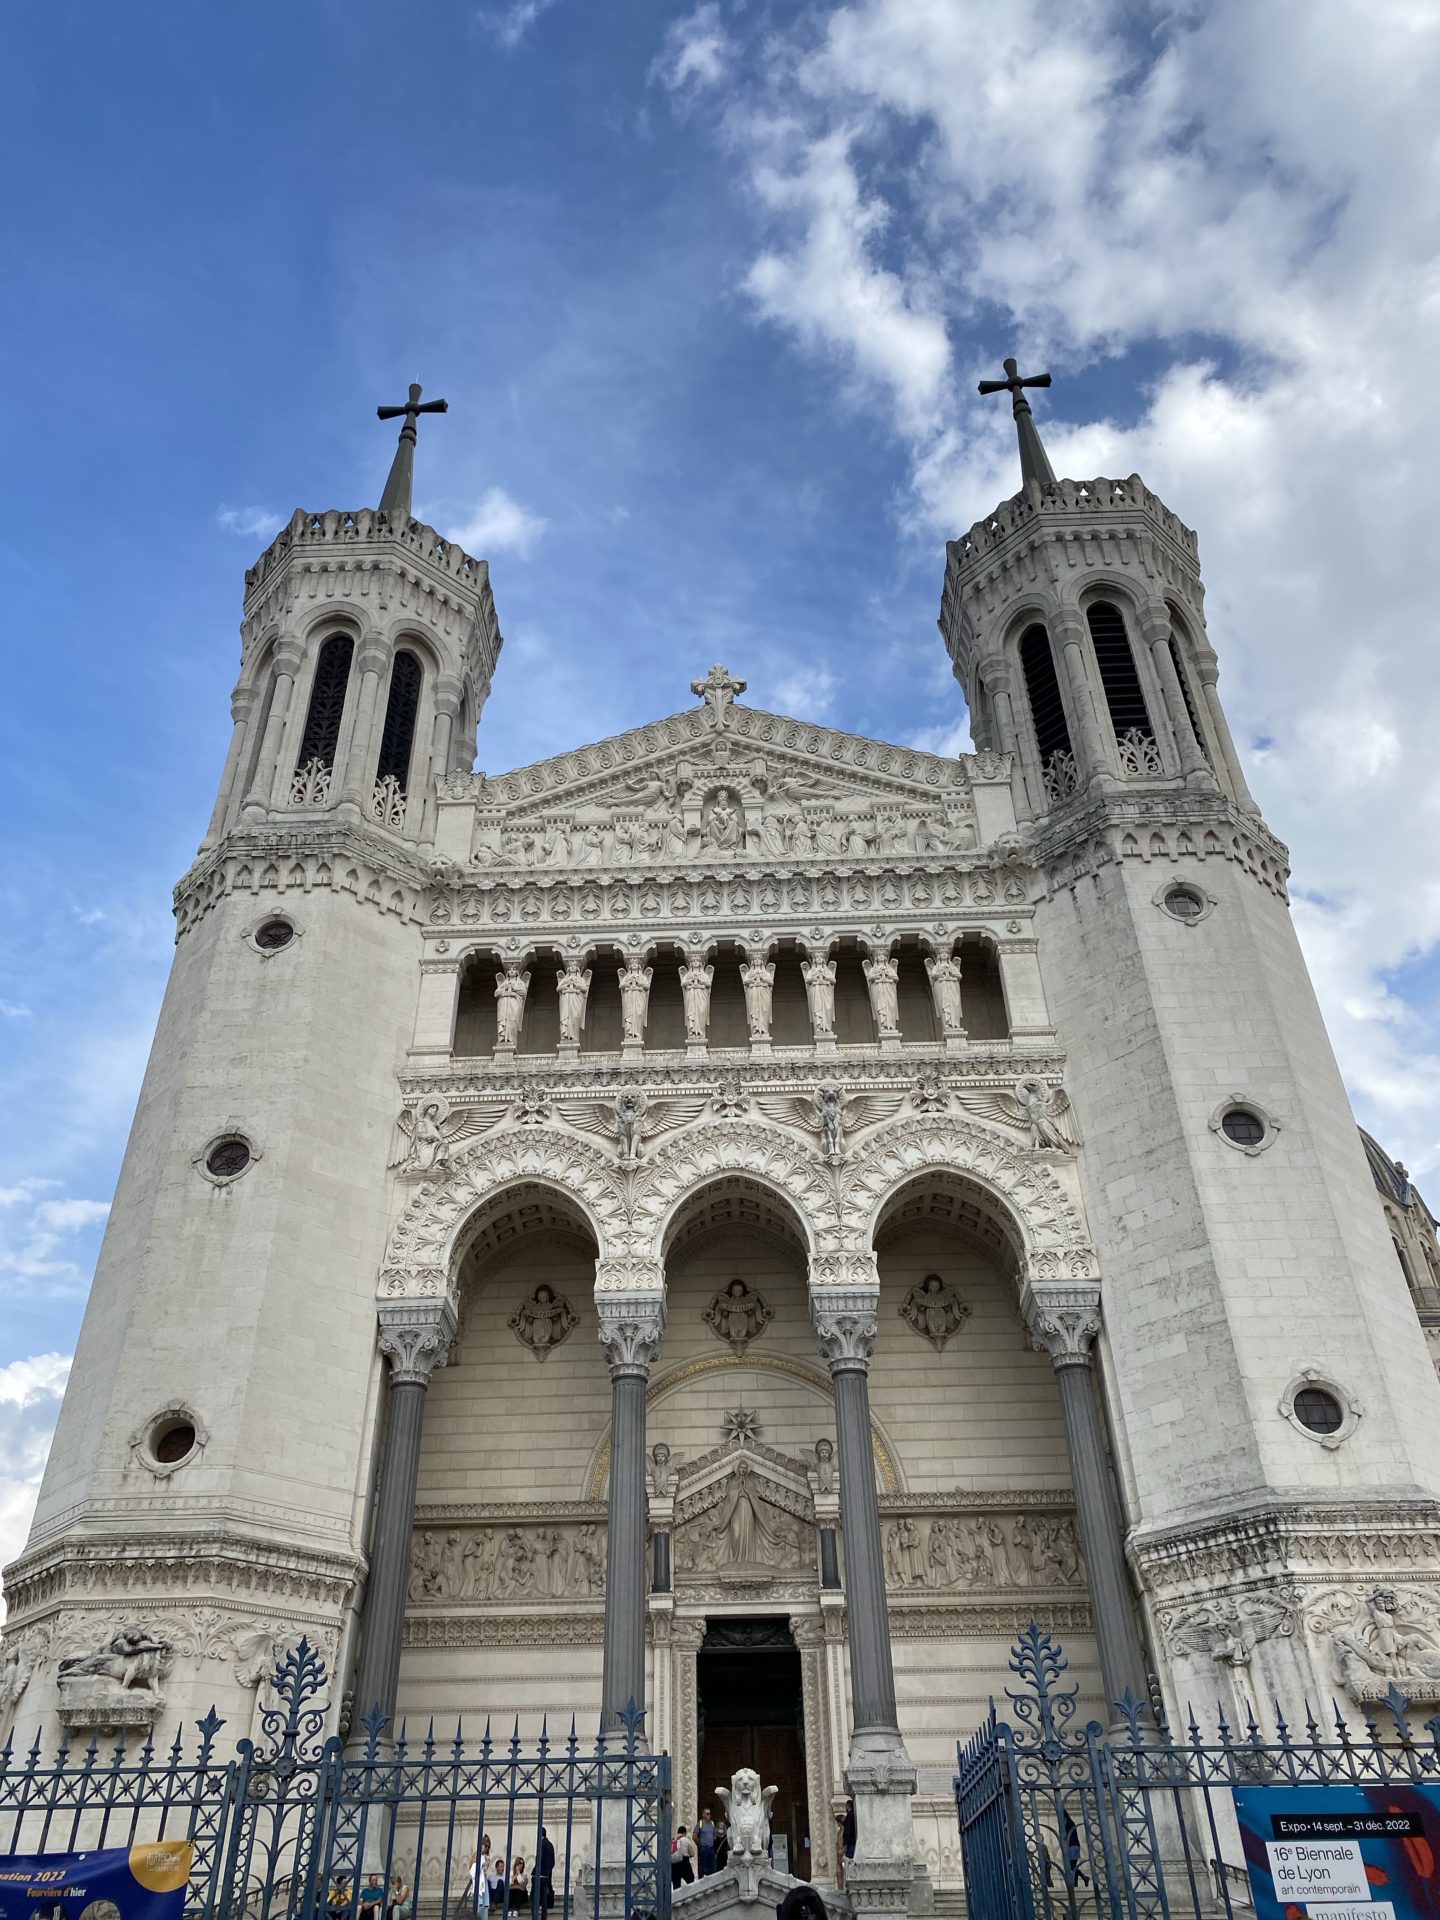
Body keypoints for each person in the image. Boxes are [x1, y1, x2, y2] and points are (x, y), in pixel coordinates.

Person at [536, 1830, 555, 1913]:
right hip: (548, 1870)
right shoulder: (550, 1844)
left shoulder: (542, 1844)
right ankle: (549, 1903)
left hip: (542, 1871)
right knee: (548, 1886)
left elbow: (540, 1859)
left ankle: (543, 1904)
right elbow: (552, 1861)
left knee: (542, 1888)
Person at [695, 1809, 718, 1879]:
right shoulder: (700, 1823)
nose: (709, 1815)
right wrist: (700, 1844)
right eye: (707, 1813)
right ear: (703, 1815)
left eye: (709, 1813)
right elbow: (694, 1836)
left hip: (711, 1848)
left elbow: (715, 1835)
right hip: (704, 1849)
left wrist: (711, 1840)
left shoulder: (712, 1823)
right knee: (704, 1869)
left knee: (713, 1868)